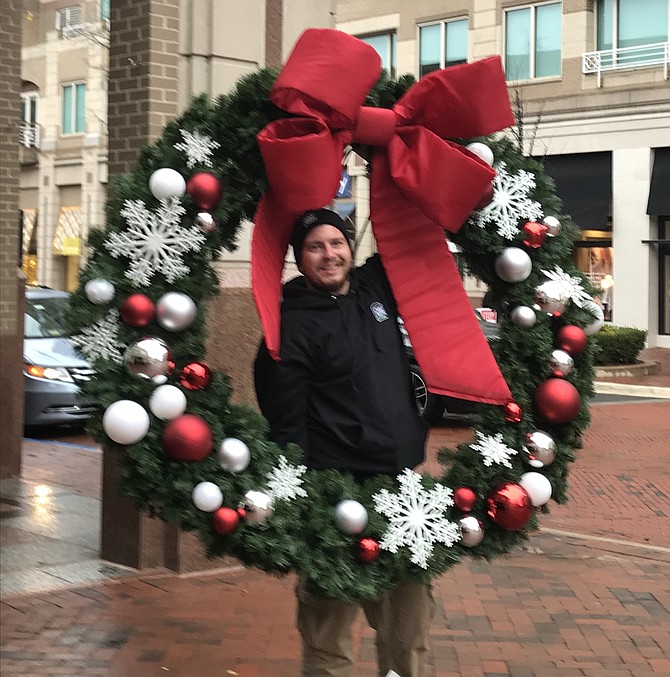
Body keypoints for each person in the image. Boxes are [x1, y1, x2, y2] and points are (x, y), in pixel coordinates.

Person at [254, 208, 434, 677]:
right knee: (329, 641)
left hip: (399, 490)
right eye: (315, 246)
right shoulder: (287, 326)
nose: (329, 254)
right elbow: (286, 428)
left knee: (407, 634)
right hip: (333, 496)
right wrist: (303, 504)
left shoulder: (375, 287)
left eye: (337, 243)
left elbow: (408, 229)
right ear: (300, 258)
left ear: (351, 248)